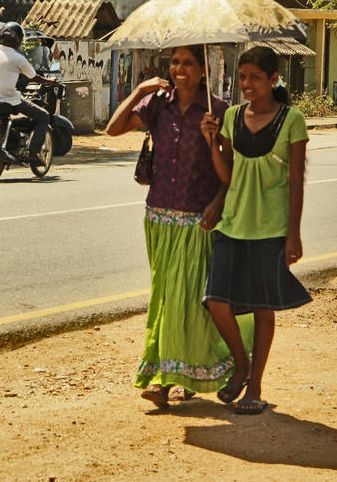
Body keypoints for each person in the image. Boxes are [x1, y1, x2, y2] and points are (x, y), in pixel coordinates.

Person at [106, 45, 235, 408]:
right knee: (164, 297)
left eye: (188, 63)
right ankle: (165, 375)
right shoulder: (158, 104)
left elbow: (232, 169)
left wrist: (217, 203)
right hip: (159, 215)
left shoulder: (218, 111)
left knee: (189, 301)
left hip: (199, 218)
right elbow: (112, 129)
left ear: (203, 69)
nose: (180, 69)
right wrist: (140, 90)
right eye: (175, 62)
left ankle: (178, 379)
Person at [200, 46, 312, 415]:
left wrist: (293, 234)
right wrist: (211, 142)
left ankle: (256, 388)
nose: (247, 84)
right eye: (243, 77)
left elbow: (296, 181)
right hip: (233, 224)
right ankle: (241, 364)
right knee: (217, 301)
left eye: (255, 77)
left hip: (271, 228)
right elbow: (228, 174)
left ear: (273, 80)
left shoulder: (292, 119)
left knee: (264, 309)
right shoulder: (231, 116)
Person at [0, 22, 56, 166]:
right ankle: (33, 153)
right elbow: (34, 77)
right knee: (43, 116)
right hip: (8, 99)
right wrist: (50, 82)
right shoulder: (18, 59)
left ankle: (10, 142)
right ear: (19, 40)